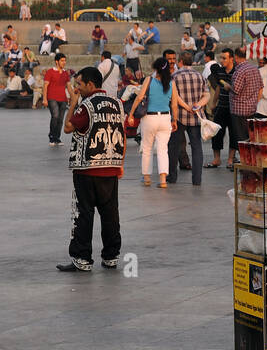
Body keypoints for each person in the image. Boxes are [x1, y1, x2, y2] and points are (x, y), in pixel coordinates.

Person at [56, 64, 126, 273]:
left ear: (90, 84)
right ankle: (111, 255)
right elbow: (121, 134)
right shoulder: (117, 103)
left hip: (87, 170)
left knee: (84, 213)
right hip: (111, 168)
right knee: (110, 213)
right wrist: (120, 163)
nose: (78, 88)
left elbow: (68, 127)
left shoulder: (87, 105)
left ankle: (82, 258)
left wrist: (72, 103)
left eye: (79, 84)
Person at [128, 56, 178, 188]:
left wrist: (131, 114)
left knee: (147, 148)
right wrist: (175, 120)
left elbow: (139, 98)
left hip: (150, 118)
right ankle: (162, 180)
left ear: (156, 69)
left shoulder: (149, 80)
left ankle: (147, 177)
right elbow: (174, 105)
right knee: (163, 150)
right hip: (165, 118)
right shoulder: (172, 83)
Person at [167, 51, 208, 186]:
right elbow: (207, 95)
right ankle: (197, 179)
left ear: (180, 62)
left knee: (174, 147)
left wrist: (186, 106)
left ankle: (172, 177)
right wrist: (197, 105)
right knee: (197, 147)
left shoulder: (174, 76)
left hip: (179, 116)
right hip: (196, 116)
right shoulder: (199, 76)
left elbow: (175, 97)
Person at [227, 46, 263, 150]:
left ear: (236, 57)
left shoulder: (239, 71)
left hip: (239, 111)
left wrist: (227, 86)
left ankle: (245, 161)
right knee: (250, 137)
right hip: (251, 109)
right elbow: (261, 87)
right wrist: (256, 102)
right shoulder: (254, 69)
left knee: (241, 139)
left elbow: (236, 90)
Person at [206, 51, 235, 168]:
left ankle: (230, 159)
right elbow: (218, 87)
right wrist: (213, 103)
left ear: (231, 59)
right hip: (221, 106)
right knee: (217, 133)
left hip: (233, 108)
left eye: (224, 58)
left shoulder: (237, 71)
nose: (222, 60)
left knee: (233, 134)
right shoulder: (220, 71)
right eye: (221, 58)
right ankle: (216, 159)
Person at [44, 52, 72, 146]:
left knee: (60, 119)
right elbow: (45, 86)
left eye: (65, 60)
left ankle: (57, 138)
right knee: (55, 116)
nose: (64, 62)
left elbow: (69, 86)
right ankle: (52, 136)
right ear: (57, 61)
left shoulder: (65, 73)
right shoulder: (50, 72)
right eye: (62, 60)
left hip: (63, 98)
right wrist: (44, 99)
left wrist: (73, 97)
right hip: (52, 97)